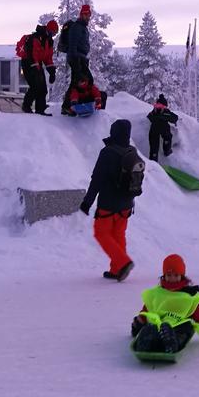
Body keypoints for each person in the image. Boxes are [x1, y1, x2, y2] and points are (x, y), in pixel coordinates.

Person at [80, 118, 144, 281]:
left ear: (113, 133)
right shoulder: (132, 151)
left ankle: (122, 263)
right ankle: (117, 270)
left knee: (101, 233)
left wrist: (87, 202)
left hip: (108, 203)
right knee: (118, 234)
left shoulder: (108, 152)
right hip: (127, 204)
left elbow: (97, 179)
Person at [130, 254, 199, 354]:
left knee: (183, 331)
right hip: (159, 326)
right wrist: (137, 326)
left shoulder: (190, 296)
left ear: (182, 276)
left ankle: (172, 343)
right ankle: (146, 343)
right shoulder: (157, 293)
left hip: (179, 326)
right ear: (164, 275)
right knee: (150, 329)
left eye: (176, 275)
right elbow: (147, 310)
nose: (172, 279)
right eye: (169, 275)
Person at [18, 20, 58, 115]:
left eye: (55, 33)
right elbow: (33, 54)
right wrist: (35, 67)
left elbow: (48, 58)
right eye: (53, 32)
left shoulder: (49, 41)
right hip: (29, 63)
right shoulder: (36, 38)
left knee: (43, 88)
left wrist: (52, 72)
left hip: (37, 63)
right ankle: (26, 106)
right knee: (36, 86)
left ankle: (41, 109)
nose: (54, 34)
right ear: (49, 30)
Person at [59, 4, 93, 85]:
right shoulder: (77, 27)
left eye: (88, 15)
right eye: (85, 15)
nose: (88, 17)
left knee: (78, 82)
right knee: (86, 81)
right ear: (81, 15)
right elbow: (72, 43)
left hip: (81, 58)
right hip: (76, 58)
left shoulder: (83, 27)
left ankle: (71, 97)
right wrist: (74, 60)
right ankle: (70, 97)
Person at [147, 95, 178, 162]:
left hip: (153, 129)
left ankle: (153, 162)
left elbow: (149, 116)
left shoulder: (154, 111)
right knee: (168, 137)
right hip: (163, 129)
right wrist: (163, 117)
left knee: (154, 148)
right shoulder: (166, 111)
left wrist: (156, 118)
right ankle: (167, 151)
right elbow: (174, 118)